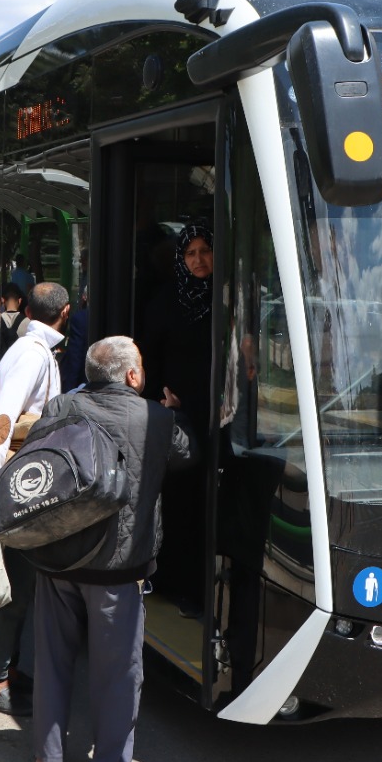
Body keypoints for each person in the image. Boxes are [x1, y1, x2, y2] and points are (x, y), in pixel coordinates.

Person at [30, 336, 191, 762]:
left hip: (58, 558)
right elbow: (187, 453)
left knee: (52, 662)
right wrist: (178, 410)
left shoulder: (61, 406)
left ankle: (47, 761)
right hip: (118, 571)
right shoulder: (154, 418)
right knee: (117, 673)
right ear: (134, 376)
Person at [0, 281, 71, 715]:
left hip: (14, 480)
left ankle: (3, 667)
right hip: (13, 484)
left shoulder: (29, 348)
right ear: (65, 314)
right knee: (11, 585)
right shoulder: (33, 355)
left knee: (21, 584)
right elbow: (3, 418)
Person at [139, 224, 213, 616]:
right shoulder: (166, 302)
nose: (199, 260)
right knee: (181, 503)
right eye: (191, 253)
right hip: (178, 416)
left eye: (206, 251)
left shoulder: (229, 297)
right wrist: (160, 399)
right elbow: (147, 357)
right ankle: (179, 584)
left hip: (221, 416)